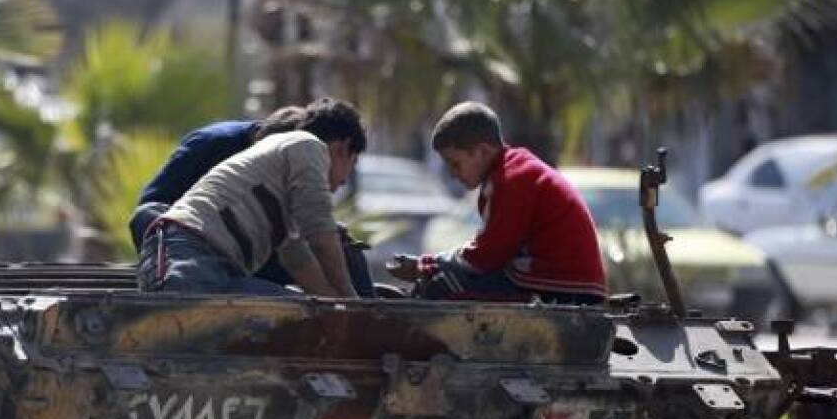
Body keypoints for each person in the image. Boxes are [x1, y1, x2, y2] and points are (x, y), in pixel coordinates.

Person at [138, 98, 367, 297]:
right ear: (343, 147)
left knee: (302, 315)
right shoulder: (308, 146)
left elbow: (296, 257)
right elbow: (320, 235)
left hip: (217, 271)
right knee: (293, 320)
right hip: (191, 260)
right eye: (353, 163)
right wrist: (351, 300)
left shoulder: (282, 165)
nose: (345, 181)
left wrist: (334, 306)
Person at [387, 102, 606, 304]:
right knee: (450, 280)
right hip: (559, 280)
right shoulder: (512, 169)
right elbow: (489, 250)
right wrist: (432, 265)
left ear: (482, 151)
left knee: (445, 287)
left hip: (563, 287)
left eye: (455, 164)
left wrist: (426, 266)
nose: (453, 174)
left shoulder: (511, 179)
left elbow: (485, 257)